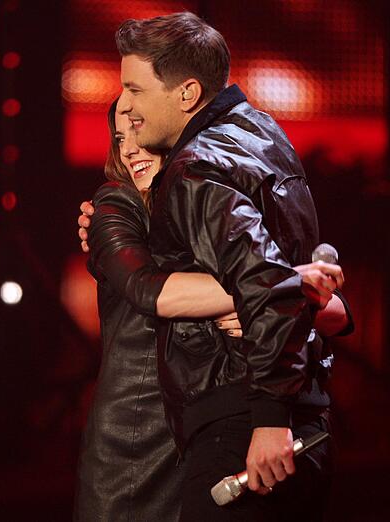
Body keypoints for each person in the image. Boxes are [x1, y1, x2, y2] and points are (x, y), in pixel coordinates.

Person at [106, 11, 352, 520]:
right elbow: (278, 281)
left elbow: (264, 282)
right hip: (305, 419)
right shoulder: (264, 133)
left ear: (187, 93)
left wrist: (268, 420)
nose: (125, 105)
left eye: (134, 89)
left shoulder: (196, 168)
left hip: (244, 426)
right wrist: (289, 287)